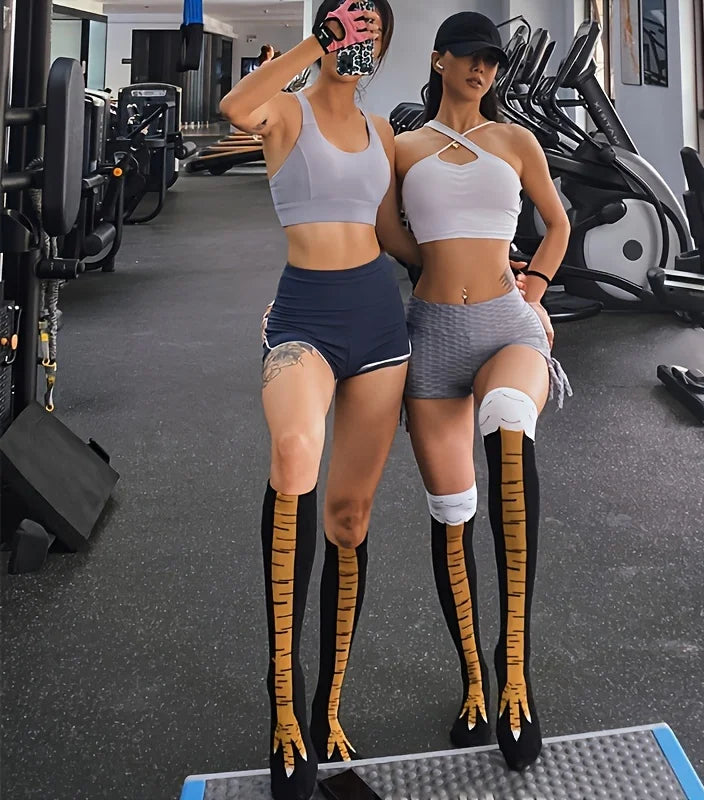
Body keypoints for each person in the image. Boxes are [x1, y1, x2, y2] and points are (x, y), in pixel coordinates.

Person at [220, 3, 418, 799]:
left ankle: (327, 705)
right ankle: (284, 705)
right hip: (304, 316)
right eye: (347, 27)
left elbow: (393, 232)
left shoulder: (382, 133)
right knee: (294, 453)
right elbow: (235, 107)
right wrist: (315, 40)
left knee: (349, 519)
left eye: (370, 34)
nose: (355, 44)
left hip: (378, 322)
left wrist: (486, 273)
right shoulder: (286, 110)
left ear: (382, 50)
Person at [395, 11, 572, 773]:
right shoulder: (402, 148)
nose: (482, 70)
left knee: (507, 419)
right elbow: (382, 234)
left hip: (508, 325)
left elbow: (557, 225)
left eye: (492, 62)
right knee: (452, 512)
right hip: (432, 333)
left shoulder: (516, 140)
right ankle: (473, 678)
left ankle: (515, 674)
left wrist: (533, 290)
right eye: (470, 57)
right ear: (439, 60)